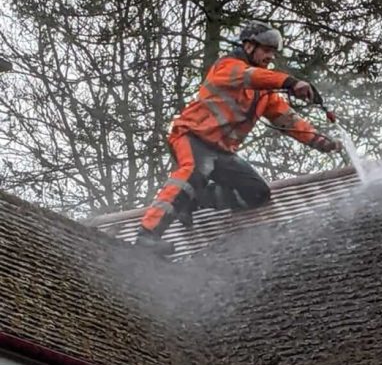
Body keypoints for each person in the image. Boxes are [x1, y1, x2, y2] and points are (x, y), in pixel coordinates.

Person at [135, 21, 343, 254]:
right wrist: (291, 83)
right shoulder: (228, 67)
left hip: (222, 151)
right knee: (192, 172)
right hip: (193, 136)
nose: (269, 57)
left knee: (257, 193)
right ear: (249, 46)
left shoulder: (263, 92)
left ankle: (195, 200)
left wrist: (319, 141)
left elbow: (287, 119)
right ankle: (148, 235)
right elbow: (251, 76)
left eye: (272, 53)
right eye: (266, 50)